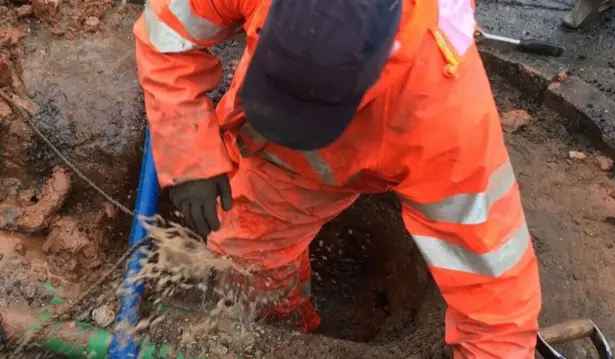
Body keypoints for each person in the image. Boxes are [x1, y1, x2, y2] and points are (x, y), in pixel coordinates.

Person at [133, 0, 542, 357]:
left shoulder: (445, 125)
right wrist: (190, 156)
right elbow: (166, 34)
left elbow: (496, 299)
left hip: (367, 142)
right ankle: (281, 315)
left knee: (248, 261)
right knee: (248, 263)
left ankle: (284, 336)